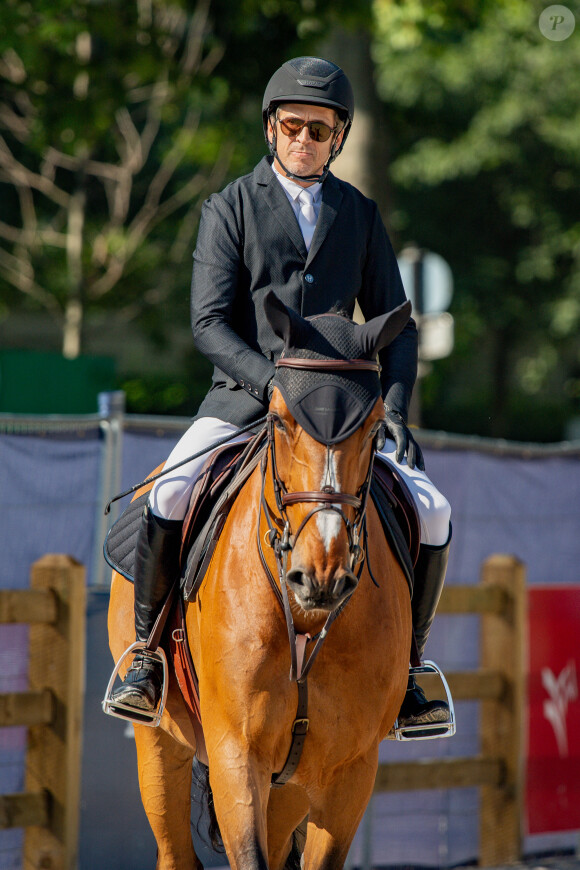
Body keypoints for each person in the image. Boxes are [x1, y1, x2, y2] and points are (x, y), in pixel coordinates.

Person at [110, 57, 452, 731]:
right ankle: (145, 657)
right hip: (247, 395)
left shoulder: (359, 214)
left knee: (433, 511)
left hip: (343, 416)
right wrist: (275, 386)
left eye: (319, 131)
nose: (304, 139)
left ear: (338, 139)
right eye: (292, 125)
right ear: (272, 129)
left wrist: (396, 409)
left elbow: (399, 326)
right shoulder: (230, 206)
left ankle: (411, 670)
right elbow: (209, 323)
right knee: (167, 495)